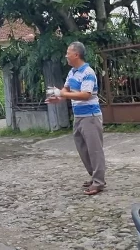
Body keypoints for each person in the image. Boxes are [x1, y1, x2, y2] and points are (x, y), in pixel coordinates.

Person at [46, 41, 105, 195]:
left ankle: (99, 182)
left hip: (90, 116)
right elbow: (66, 89)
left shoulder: (88, 73)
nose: (66, 55)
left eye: (68, 52)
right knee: (83, 149)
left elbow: (86, 95)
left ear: (76, 54)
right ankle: (94, 176)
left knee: (94, 150)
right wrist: (58, 97)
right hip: (78, 116)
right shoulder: (72, 72)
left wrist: (62, 94)